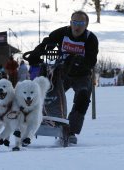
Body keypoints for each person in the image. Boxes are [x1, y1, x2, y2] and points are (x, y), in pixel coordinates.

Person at [26, 10, 98, 144]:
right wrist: (36, 54)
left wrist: (77, 61)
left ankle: (71, 130)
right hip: (62, 72)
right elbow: (47, 43)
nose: (77, 26)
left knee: (83, 97)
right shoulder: (62, 33)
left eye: (80, 23)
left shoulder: (90, 39)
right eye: (74, 22)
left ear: (86, 25)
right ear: (70, 23)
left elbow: (91, 61)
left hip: (81, 74)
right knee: (49, 93)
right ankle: (43, 119)